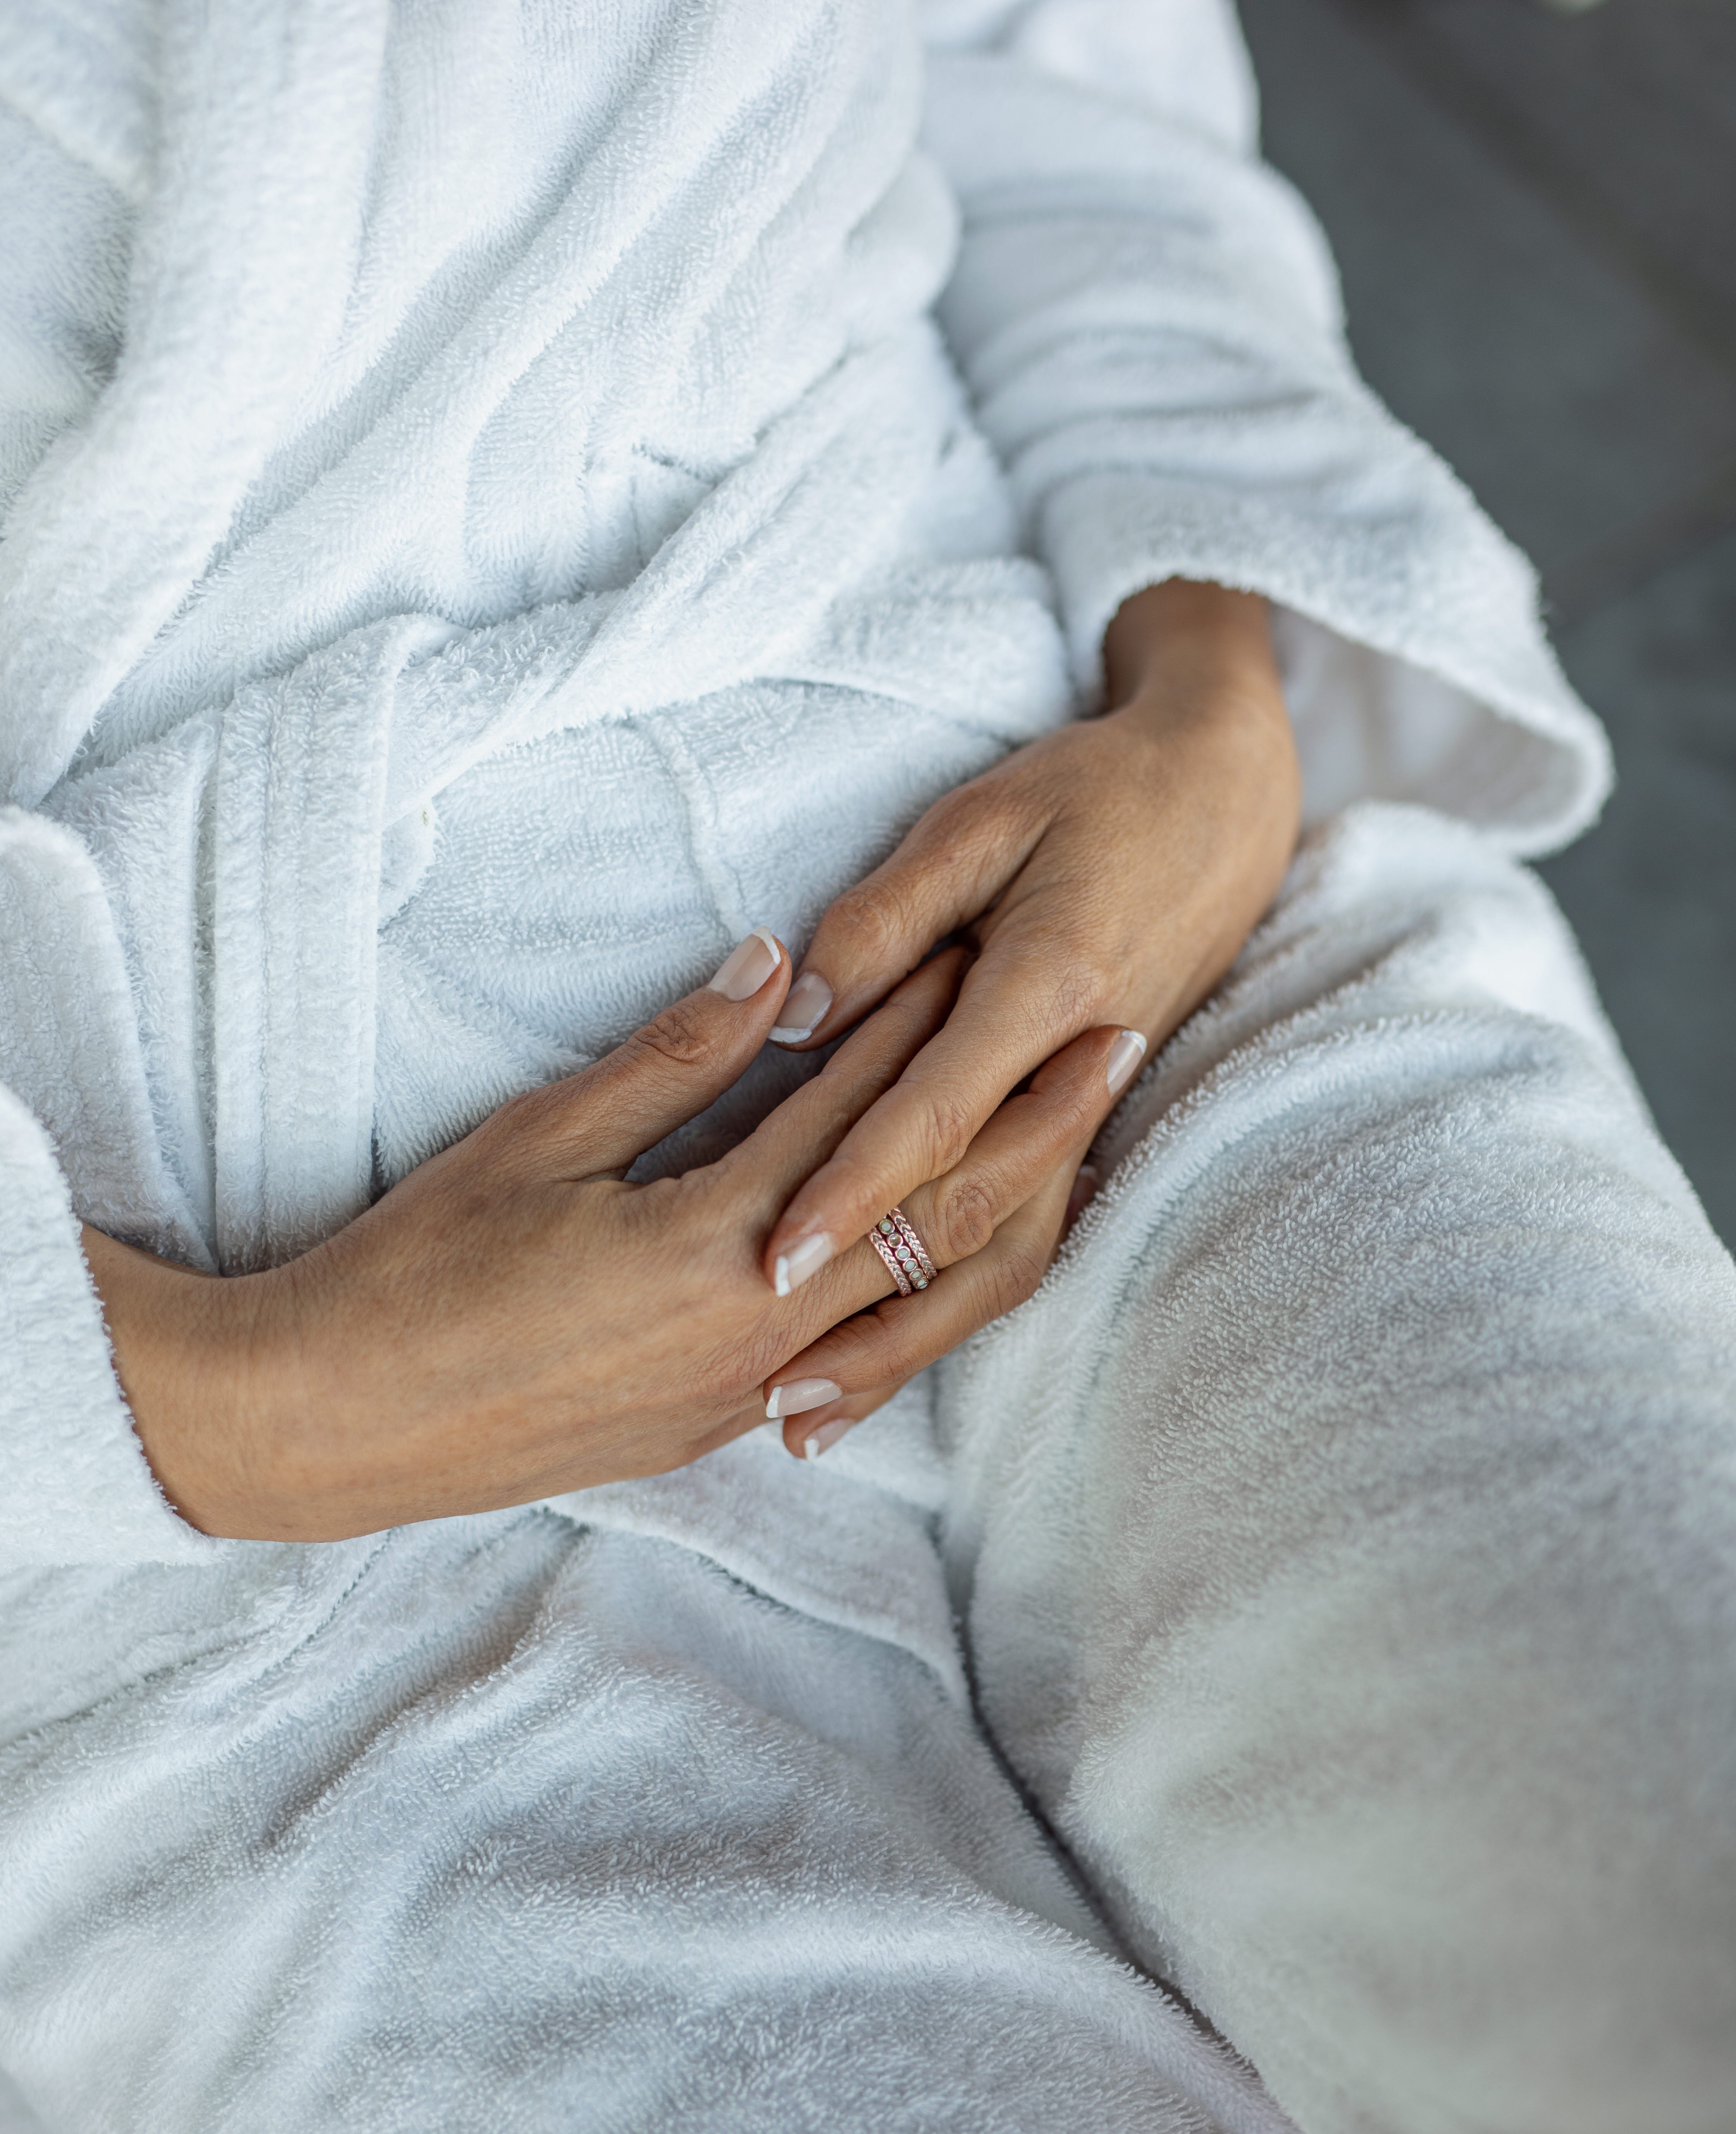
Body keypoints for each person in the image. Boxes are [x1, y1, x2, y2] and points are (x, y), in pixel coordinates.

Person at [0, 1, 1732, 2128]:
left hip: (1053, 944)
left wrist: (1207, 685)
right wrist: (213, 1402)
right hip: (174, 1479)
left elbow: (1043, 74)